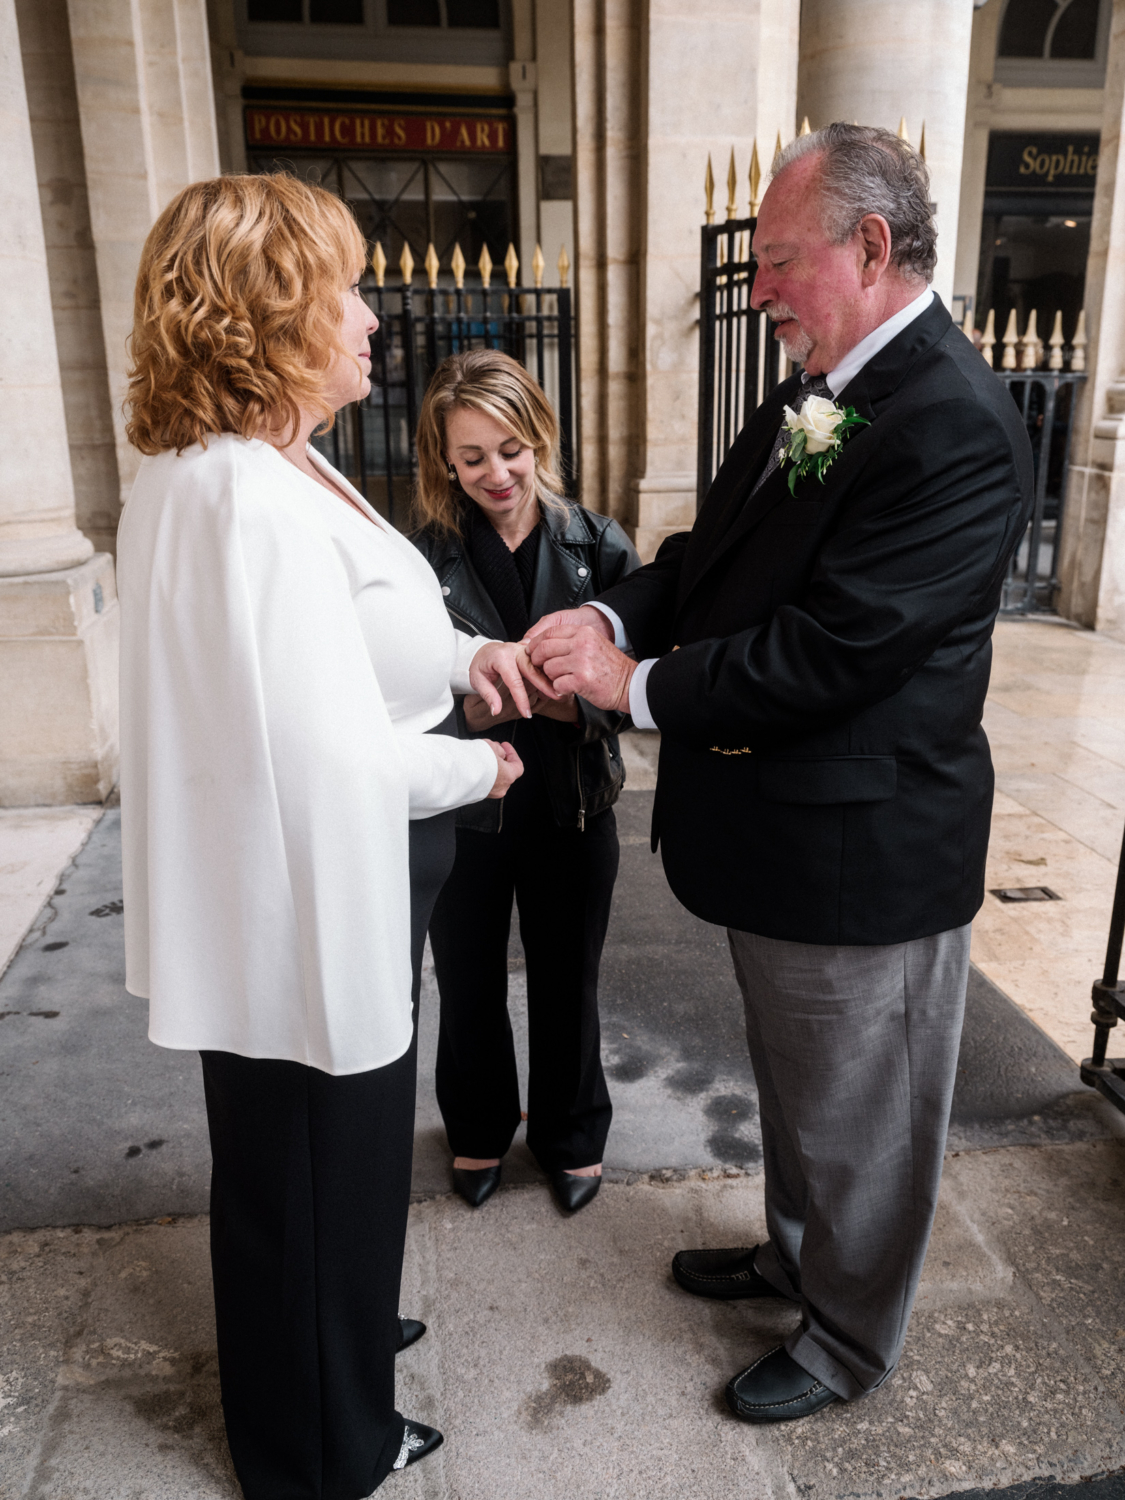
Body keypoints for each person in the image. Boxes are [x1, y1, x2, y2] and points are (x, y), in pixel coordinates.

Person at [526, 125, 1033, 1423]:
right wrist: (621, 617)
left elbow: (833, 650)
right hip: (783, 842)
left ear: (869, 248)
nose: (757, 291)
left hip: (864, 859)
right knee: (806, 1089)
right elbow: (728, 553)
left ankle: (847, 1339)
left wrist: (628, 690)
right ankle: (796, 1260)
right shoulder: (834, 390)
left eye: (776, 260)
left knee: (862, 1118)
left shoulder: (954, 422)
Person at [117, 174, 535, 1498]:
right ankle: (321, 1445)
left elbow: (364, 638)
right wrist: (477, 766)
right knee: (310, 1167)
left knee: (318, 1166)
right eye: (342, 290)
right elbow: (327, 754)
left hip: (304, 876)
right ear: (267, 311)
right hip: (310, 878)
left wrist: (470, 654)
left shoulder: (252, 468)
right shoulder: (248, 490)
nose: (370, 318)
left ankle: (336, 1335)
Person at [412, 350, 640, 1213]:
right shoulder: (417, 558)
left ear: (537, 435)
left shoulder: (598, 544)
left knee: (565, 977)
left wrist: (564, 707)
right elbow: (401, 700)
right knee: (466, 980)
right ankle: (476, 1128)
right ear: (445, 462)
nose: (495, 473)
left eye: (509, 448)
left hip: (570, 802)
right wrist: (467, 717)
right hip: (462, 802)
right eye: (471, 458)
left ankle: (570, 1133)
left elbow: (634, 690)